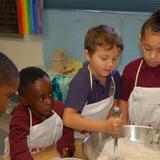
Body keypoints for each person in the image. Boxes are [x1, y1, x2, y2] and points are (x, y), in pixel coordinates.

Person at [63, 24, 126, 139]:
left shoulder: (114, 76)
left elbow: (115, 103)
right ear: (88, 55)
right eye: (104, 58)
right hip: (79, 138)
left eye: (115, 59)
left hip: (101, 134)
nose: (110, 64)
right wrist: (104, 126)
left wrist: (111, 123)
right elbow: (68, 118)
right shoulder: (82, 81)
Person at [4, 67, 75, 160]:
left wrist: (66, 146)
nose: (49, 101)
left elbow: (67, 130)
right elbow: (18, 151)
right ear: (24, 101)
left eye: (50, 94)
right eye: (41, 98)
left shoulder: (58, 108)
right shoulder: (20, 120)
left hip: (49, 149)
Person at [119, 9, 160, 129]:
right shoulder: (131, 70)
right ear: (140, 41)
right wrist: (124, 128)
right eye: (147, 48)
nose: (153, 56)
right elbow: (123, 101)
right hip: (134, 136)